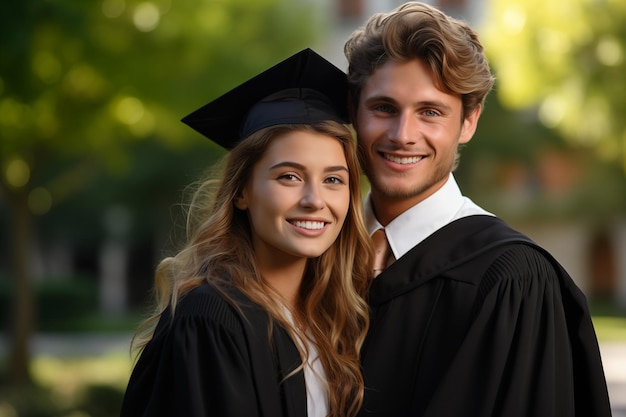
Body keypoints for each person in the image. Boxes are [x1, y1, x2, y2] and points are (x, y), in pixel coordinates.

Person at [343, 2, 612, 416]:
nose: (402, 135)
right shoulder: (321, 253)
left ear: (468, 122)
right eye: (384, 108)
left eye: (430, 112)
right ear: (354, 113)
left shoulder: (512, 278)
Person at [119, 48, 373, 417]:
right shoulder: (211, 317)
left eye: (334, 179)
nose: (314, 200)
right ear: (241, 192)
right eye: (289, 176)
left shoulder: (328, 323)